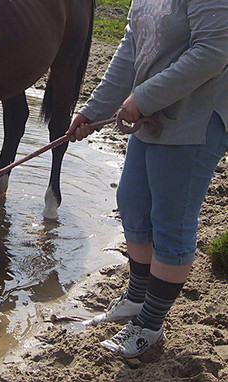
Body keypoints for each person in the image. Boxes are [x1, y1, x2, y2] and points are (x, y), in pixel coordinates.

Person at [66, 0, 228, 358]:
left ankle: (149, 325)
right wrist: (96, 109)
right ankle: (137, 299)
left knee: (171, 222)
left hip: (193, 122)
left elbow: (212, 52)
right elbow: (130, 51)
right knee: (133, 205)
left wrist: (142, 98)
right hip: (151, 115)